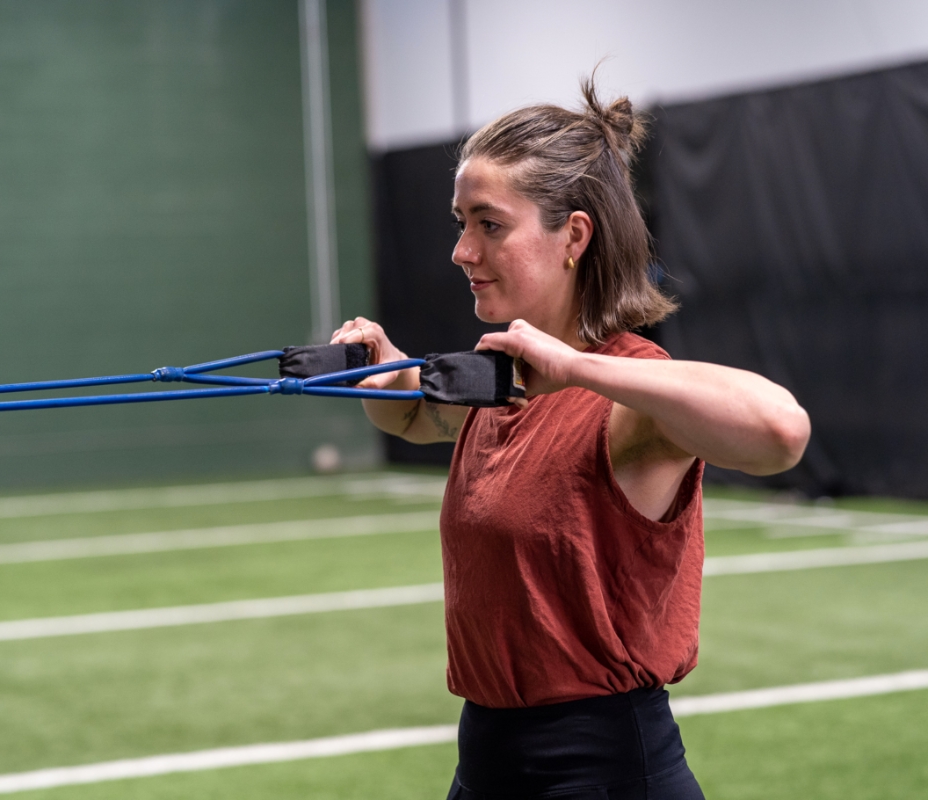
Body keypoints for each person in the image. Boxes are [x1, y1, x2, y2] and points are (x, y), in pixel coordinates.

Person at [331, 77, 811, 799]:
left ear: (574, 238)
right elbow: (413, 416)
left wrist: (579, 369)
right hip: (488, 760)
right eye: (460, 222)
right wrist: (387, 366)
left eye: (489, 225)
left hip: (604, 771)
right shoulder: (504, 374)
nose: (463, 250)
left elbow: (781, 432)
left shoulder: (630, 393)